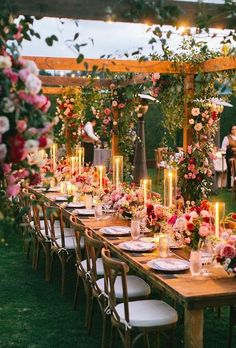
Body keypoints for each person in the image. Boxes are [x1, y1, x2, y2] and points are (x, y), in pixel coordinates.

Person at [221, 124, 236, 190]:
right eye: (233, 129)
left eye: (235, 129)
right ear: (230, 130)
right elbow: (223, 148)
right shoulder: (227, 138)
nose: (234, 130)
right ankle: (229, 187)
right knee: (230, 170)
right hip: (230, 155)